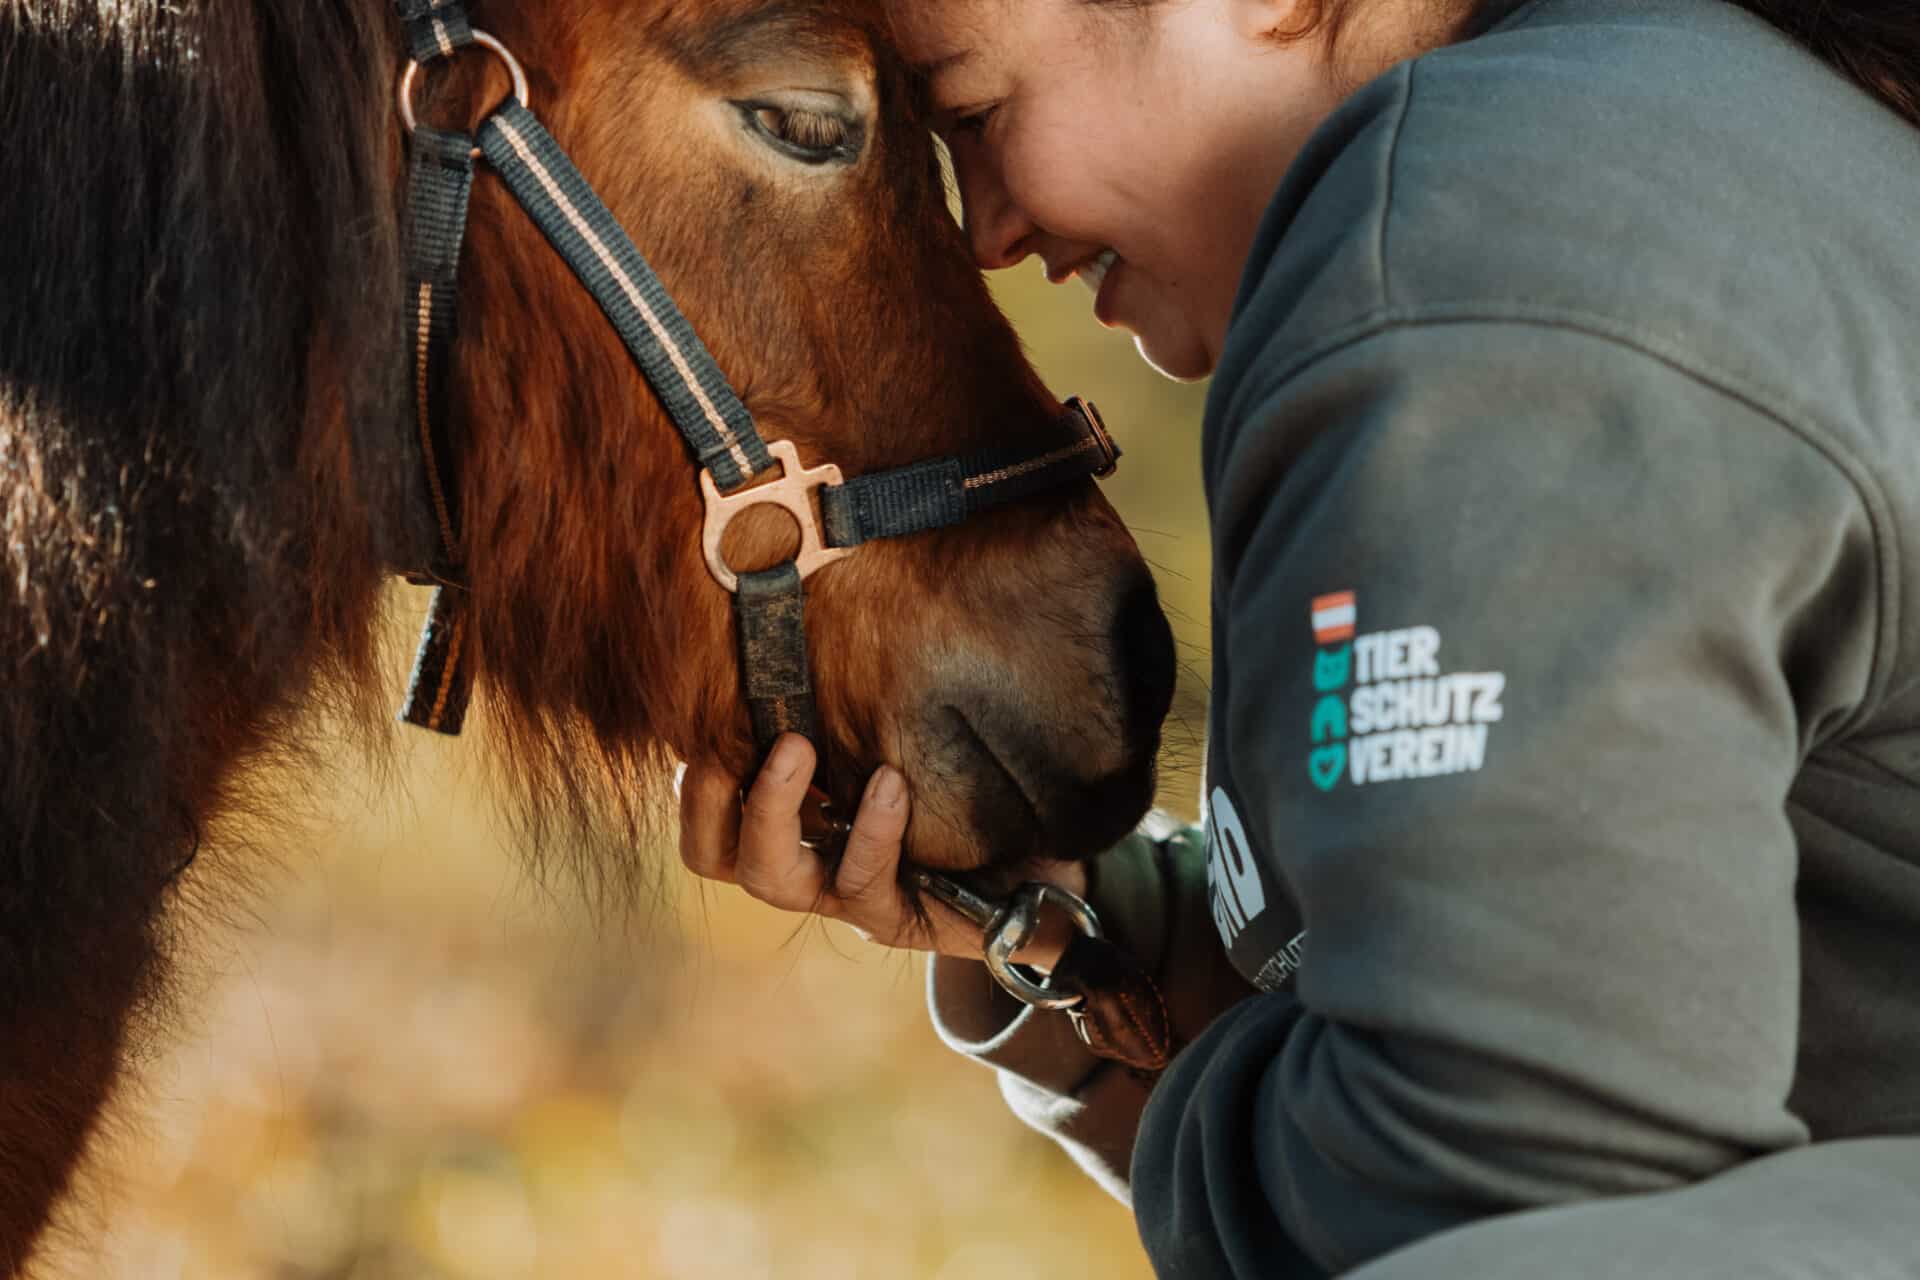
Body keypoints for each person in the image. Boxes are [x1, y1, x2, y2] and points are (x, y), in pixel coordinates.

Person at [679, 0, 1920, 1274]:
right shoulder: (1630, 148)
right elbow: (1535, 1007)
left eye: (979, 116)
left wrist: (1214, 1119)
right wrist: (1063, 931)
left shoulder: (1482, 250)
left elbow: (1495, 1185)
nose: (987, 234)